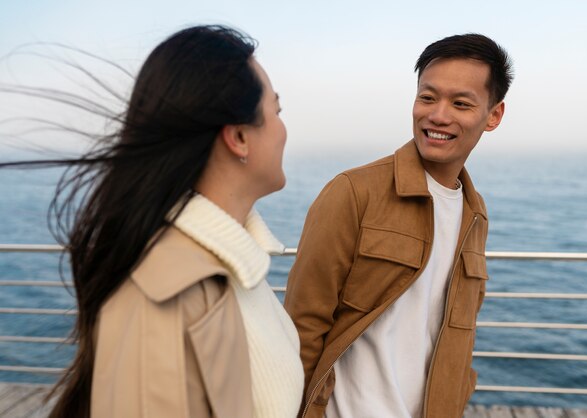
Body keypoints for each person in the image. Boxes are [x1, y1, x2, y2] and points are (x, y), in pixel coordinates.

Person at [1, 25, 303, 418]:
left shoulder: (235, 264)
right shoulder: (163, 299)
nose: (283, 129)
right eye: (276, 111)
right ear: (239, 137)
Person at [284, 33, 513, 418]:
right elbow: (302, 325)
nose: (438, 115)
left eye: (461, 103)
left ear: (493, 115)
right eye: (427, 97)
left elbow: (458, 332)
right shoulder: (353, 192)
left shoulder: (475, 214)